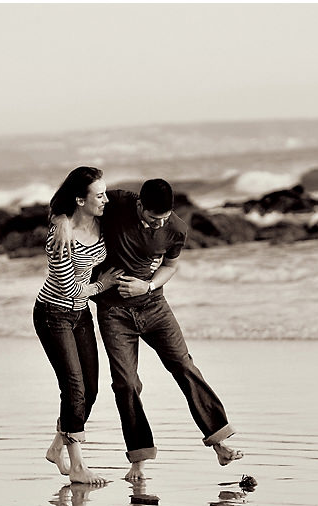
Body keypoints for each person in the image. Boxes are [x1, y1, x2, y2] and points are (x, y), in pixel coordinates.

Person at [53, 178, 243, 481]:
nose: (160, 223)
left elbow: (171, 265)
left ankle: (219, 442)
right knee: (126, 384)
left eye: (164, 217)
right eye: (154, 218)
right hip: (114, 312)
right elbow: (73, 203)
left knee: (184, 366)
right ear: (140, 205)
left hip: (155, 308)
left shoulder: (176, 228)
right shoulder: (117, 203)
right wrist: (61, 221)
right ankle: (138, 460)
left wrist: (149, 285)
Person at [35, 166, 124, 485]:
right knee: (73, 387)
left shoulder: (100, 221)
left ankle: (57, 448)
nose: (105, 200)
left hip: (80, 314)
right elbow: (70, 289)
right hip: (53, 314)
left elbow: (128, 202)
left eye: (105, 193)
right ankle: (77, 465)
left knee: (91, 388)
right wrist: (103, 285)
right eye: (99, 195)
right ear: (80, 200)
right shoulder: (61, 233)